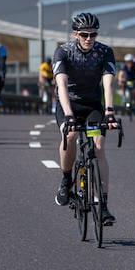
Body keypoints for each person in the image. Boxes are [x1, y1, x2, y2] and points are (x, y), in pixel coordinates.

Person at [53, 13, 119, 226]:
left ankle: (104, 205)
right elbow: (61, 85)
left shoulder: (104, 52)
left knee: (98, 146)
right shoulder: (63, 52)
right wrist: (69, 115)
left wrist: (109, 111)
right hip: (69, 104)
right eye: (84, 34)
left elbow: (108, 83)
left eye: (93, 34)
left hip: (92, 106)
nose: (89, 38)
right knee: (70, 135)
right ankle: (65, 180)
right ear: (75, 34)